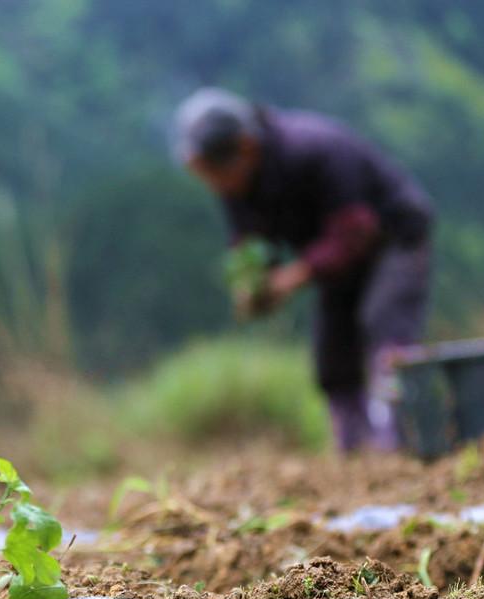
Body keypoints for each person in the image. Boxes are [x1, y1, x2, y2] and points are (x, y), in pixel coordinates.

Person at [173, 88, 433, 451]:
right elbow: (249, 241)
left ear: (245, 148)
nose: (214, 186)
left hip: (394, 238)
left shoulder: (313, 148)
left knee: (386, 328)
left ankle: (403, 440)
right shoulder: (237, 184)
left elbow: (355, 230)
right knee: (333, 358)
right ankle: (353, 450)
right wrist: (254, 283)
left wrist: (292, 277)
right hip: (332, 259)